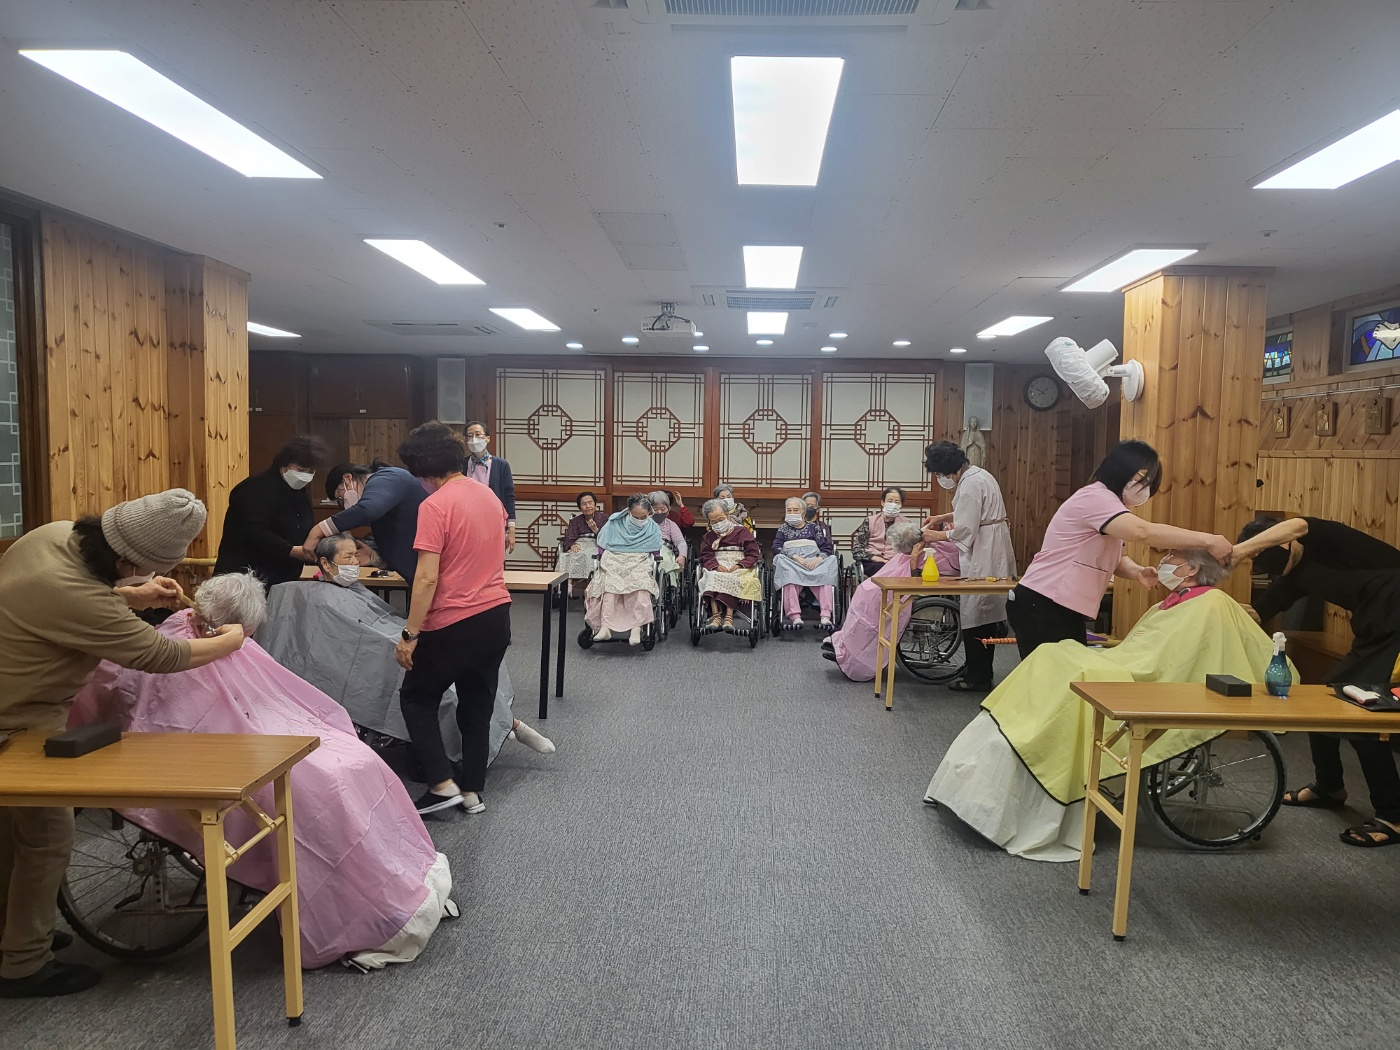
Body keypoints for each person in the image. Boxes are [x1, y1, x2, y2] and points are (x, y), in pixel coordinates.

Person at [70, 573, 457, 969]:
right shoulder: (176, 643)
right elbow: (159, 701)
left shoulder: (224, 641)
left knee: (361, 761)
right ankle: (355, 903)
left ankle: (392, 883)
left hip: (267, 731)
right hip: (214, 751)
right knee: (323, 788)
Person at [0, 490, 243, 998]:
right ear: (127, 562)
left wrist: (135, 593)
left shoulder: (52, 535)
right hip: (16, 722)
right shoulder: (77, 597)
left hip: (20, 703)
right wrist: (229, 642)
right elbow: (159, 655)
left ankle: (15, 934)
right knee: (47, 836)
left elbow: (68, 598)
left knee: (12, 833)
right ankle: (22, 965)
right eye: (142, 571)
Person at [926, 550, 1279, 861]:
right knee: (1050, 654)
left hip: (1143, 676)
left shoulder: (1212, 603)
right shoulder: (1172, 601)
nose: (1164, 561)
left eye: (1172, 556)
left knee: (1071, 668)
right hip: (1129, 662)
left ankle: (1043, 756)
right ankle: (1024, 736)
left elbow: (1180, 658)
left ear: (1191, 569)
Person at [260, 534, 554, 764]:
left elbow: (383, 616)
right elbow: (350, 636)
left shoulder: (350, 589)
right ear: (325, 564)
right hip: (377, 646)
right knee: (449, 681)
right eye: (347, 557)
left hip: (387, 633)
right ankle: (510, 724)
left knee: (467, 658)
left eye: (355, 556)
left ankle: (506, 723)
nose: (354, 563)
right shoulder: (315, 598)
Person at [1235, 516, 1400, 847]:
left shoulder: (1324, 542)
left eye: (1263, 552)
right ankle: (1329, 787)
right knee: (1322, 700)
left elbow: (1299, 524)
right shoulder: (1296, 577)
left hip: (1395, 626)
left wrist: (1238, 552)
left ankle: (1393, 815)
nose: (1263, 562)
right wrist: (1218, 605)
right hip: (1375, 634)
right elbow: (1258, 612)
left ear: (1283, 541)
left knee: (1362, 713)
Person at [1007, 440, 1233, 659]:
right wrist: (1208, 541)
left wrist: (1137, 571)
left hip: (1060, 606)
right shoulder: (1096, 498)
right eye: (1140, 479)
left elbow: (1116, 559)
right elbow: (1142, 532)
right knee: (1052, 678)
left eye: (1149, 481)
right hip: (1043, 601)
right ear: (1119, 470)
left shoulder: (1112, 506)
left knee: (1066, 677)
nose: (1144, 488)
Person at [395, 422, 512, 817]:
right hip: (496, 615)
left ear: (422, 469)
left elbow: (426, 577)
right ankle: (473, 791)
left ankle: (441, 784)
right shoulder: (488, 496)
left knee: (416, 698)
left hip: (453, 621)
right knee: (477, 705)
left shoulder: (434, 505)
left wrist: (410, 633)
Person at [920, 441, 1017, 692]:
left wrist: (933, 536)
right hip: (991, 542)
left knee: (977, 612)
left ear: (949, 469)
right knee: (984, 611)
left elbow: (965, 529)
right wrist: (942, 517)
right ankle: (977, 668)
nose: (940, 478)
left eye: (939, 474)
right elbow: (973, 513)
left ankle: (978, 676)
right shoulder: (978, 474)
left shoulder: (970, 485)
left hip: (986, 548)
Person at [214, 435, 328, 585]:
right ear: (285, 463)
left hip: (284, 578)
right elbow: (253, 531)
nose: (305, 476)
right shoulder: (254, 488)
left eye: (311, 471)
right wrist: (291, 550)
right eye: (300, 470)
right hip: (246, 579)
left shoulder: (301, 493)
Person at [822, 522, 925, 681]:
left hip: (899, 583)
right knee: (863, 593)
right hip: (883, 570)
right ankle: (846, 643)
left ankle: (854, 656)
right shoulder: (871, 522)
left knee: (870, 604)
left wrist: (913, 558)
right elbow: (859, 550)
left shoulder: (923, 548)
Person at [301, 459, 428, 583]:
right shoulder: (381, 515)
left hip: (431, 578)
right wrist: (375, 559)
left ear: (347, 478)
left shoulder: (388, 477)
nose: (344, 504)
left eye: (340, 497)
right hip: (420, 580)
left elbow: (368, 510)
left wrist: (318, 530)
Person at [585, 494, 663, 645]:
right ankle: (605, 627)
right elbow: (603, 543)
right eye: (635, 517)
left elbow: (655, 549)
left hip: (639, 559)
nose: (639, 520)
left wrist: (654, 557)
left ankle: (636, 628)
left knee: (641, 587)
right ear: (628, 512)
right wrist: (602, 557)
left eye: (643, 517)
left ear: (649, 513)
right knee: (609, 586)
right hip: (614, 556)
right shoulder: (614, 522)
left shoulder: (653, 527)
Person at [772, 496, 838, 631]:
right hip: (793, 563)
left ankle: (826, 615)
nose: (792, 513)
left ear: (803, 512)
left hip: (813, 562)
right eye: (789, 510)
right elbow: (776, 548)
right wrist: (796, 558)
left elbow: (826, 548)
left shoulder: (814, 528)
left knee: (830, 564)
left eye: (795, 510)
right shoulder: (783, 529)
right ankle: (795, 616)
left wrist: (817, 560)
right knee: (785, 569)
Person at [696, 498, 762, 633]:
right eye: (714, 521)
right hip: (718, 563)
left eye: (721, 519)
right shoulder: (708, 536)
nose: (718, 524)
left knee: (733, 577)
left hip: (739, 564)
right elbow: (706, 555)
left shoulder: (742, 532)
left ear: (727, 515)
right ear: (709, 522)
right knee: (712, 577)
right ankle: (716, 617)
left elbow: (753, 553)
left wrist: (741, 564)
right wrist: (715, 566)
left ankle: (728, 618)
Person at [462, 420, 517, 553]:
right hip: (467, 521)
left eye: (478, 434)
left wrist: (511, 530)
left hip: (493, 520)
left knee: (492, 556)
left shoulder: (501, 465)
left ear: (487, 438)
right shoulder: (462, 464)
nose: (474, 439)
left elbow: (509, 497)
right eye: (469, 436)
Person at [852, 486, 911, 579]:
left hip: (897, 562)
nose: (893, 505)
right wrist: (878, 559)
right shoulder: (870, 521)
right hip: (873, 562)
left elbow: (910, 548)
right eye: (890, 501)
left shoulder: (906, 523)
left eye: (897, 502)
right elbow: (857, 550)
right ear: (883, 502)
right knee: (881, 568)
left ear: (901, 505)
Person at [559, 491, 608, 598]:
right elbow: (569, 537)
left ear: (595, 504)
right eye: (584, 504)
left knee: (590, 556)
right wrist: (572, 545)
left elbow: (608, 538)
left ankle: (591, 590)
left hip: (596, 544)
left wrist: (595, 529)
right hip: (580, 543)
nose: (588, 506)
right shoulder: (575, 521)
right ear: (580, 507)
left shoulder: (604, 518)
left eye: (590, 502)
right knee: (567, 556)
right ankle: (568, 585)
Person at [647, 489, 689, 576]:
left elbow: (680, 542)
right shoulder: (643, 523)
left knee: (667, 563)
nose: (659, 512)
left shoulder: (671, 525)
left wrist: (682, 556)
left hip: (664, 549)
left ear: (668, 509)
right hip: (645, 548)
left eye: (663, 509)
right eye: (655, 509)